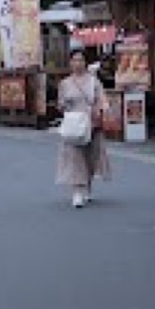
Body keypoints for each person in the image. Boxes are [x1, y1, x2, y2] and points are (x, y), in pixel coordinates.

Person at [57, 51, 111, 208]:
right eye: (74, 60)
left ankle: (87, 186)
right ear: (70, 63)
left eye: (80, 60)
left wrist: (102, 108)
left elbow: (102, 99)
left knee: (91, 157)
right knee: (75, 157)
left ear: (86, 62)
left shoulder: (94, 81)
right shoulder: (65, 83)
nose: (77, 63)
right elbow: (60, 104)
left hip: (92, 123)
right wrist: (64, 105)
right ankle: (77, 192)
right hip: (74, 125)